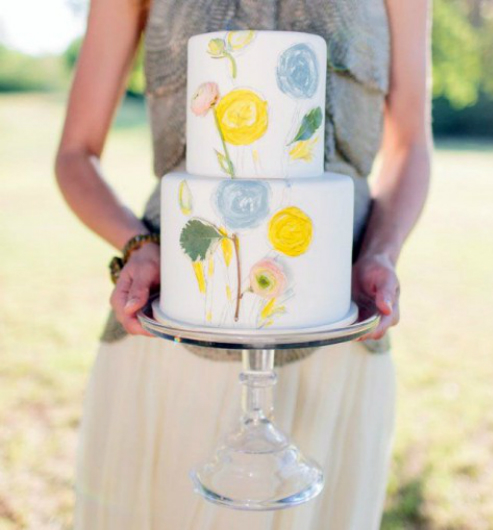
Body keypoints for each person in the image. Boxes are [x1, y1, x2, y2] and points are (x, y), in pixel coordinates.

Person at [55, 0, 432, 528]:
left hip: (339, 325)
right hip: (179, 322)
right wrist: (138, 245)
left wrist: (380, 252)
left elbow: (410, 144)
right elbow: (75, 153)